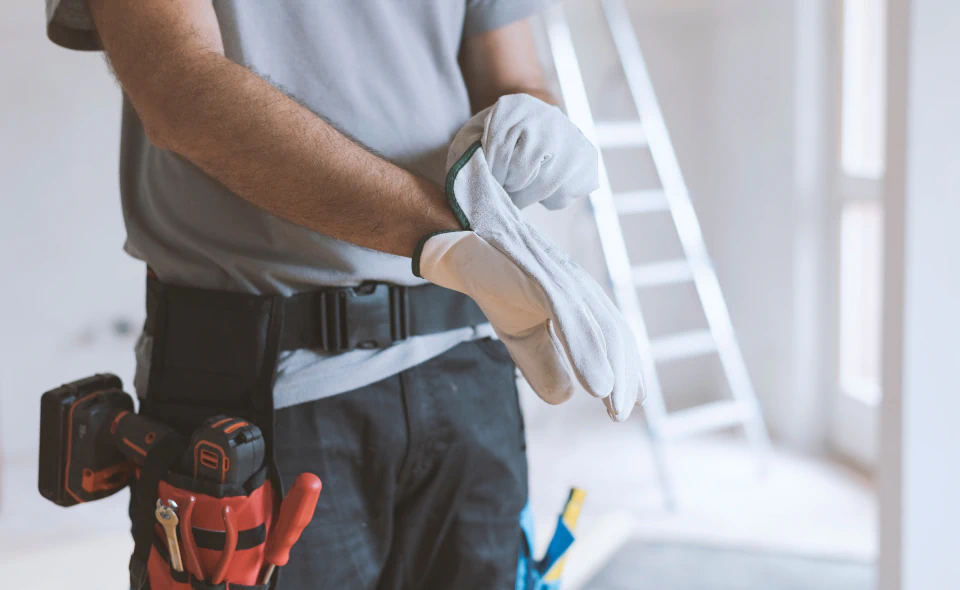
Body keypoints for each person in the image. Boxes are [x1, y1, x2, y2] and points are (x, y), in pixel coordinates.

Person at [44, 1, 642, 588]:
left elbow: (514, 75)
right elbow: (177, 83)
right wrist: (445, 242)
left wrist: (535, 127)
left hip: (466, 355)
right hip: (263, 389)